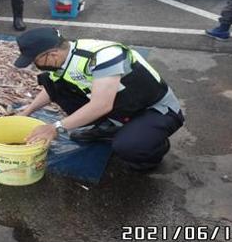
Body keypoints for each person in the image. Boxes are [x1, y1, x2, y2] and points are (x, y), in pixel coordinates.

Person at [14, 27, 184, 171]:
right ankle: (111, 127)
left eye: (34, 60)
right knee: (51, 82)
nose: (34, 65)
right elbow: (52, 89)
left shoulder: (104, 56)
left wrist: (55, 127)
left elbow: (102, 105)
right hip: (123, 106)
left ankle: (154, 147)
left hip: (155, 109)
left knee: (128, 146)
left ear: (51, 54)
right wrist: (27, 110)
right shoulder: (63, 61)